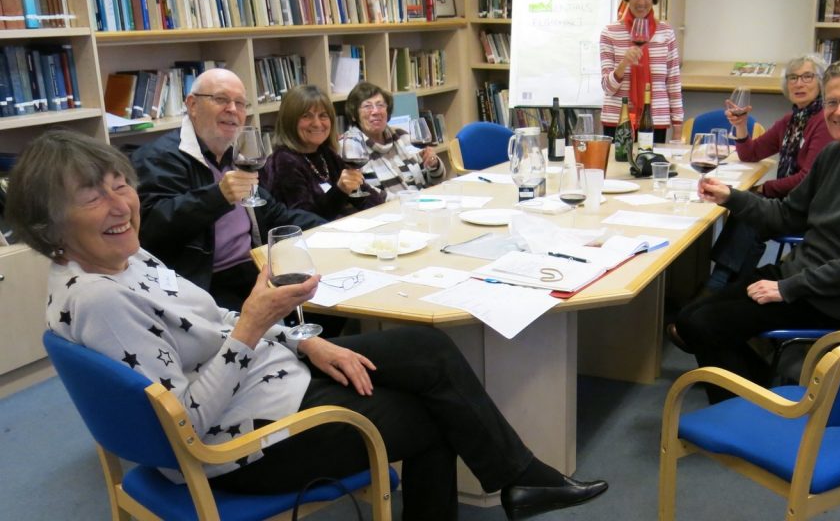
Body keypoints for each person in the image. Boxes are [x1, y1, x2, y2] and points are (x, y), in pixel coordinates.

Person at [8, 129, 608, 521]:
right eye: (94, 198)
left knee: (426, 350)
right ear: (50, 222)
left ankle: (522, 479)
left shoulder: (126, 257)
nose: (121, 205)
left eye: (121, 186)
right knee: (434, 415)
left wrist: (304, 337)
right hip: (238, 445)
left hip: (270, 380)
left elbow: (211, 320)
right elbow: (184, 424)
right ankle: (521, 479)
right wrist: (253, 326)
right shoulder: (101, 300)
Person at [669, 58, 840, 403]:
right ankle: (764, 391)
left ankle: (749, 411)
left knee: (704, 325)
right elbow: (787, 216)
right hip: (800, 276)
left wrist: (787, 288)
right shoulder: (834, 153)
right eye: (832, 102)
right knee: (686, 317)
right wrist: (732, 198)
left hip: (832, 297)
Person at [131, 69, 324, 313]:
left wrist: (335, 227)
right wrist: (218, 196)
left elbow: (275, 214)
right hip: (205, 283)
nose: (232, 109)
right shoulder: (159, 157)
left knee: (326, 294)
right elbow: (150, 229)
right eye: (221, 99)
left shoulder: (236, 157)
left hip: (255, 266)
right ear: (192, 104)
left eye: (240, 103)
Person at [706, 53, 834, 290]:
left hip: (809, 208)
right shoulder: (791, 121)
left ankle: (721, 285)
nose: (799, 83)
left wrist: (766, 188)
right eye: (793, 78)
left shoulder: (824, 121)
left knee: (748, 208)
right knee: (747, 206)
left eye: (807, 76)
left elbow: (807, 179)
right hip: (787, 202)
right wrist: (741, 127)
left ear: (822, 82)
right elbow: (750, 153)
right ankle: (727, 283)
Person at [263, 84, 385, 220]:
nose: (317, 123)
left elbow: (370, 199)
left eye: (323, 115)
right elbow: (305, 221)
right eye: (306, 116)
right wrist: (340, 191)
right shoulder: (284, 161)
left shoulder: (326, 154)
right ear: (290, 121)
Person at [599, 0, 684, 143]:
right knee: (618, 170)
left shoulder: (666, 32)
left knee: (649, 169)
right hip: (618, 121)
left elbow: (673, 84)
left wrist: (678, 128)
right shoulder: (610, 32)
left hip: (655, 121)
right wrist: (623, 65)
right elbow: (608, 87)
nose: (641, 2)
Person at [342, 81, 445, 198]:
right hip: (387, 212)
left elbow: (434, 181)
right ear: (354, 115)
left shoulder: (402, 136)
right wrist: (409, 201)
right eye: (367, 106)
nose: (375, 111)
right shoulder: (349, 147)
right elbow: (362, 197)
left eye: (380, 105)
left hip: (420, 205)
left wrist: (433, 164)